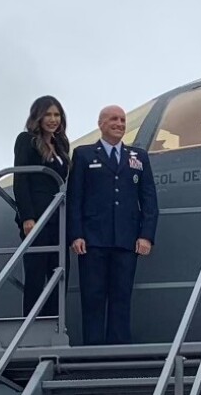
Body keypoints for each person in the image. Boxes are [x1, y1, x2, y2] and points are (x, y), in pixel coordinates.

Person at [66, 105, 159, 345]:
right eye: (113, 119)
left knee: (121, 295)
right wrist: (76, 234)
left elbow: (148, 199)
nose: (119, 124)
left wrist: (146, 235)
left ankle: (119, 348)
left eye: (122, 120)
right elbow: (75, 198)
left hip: (127, 239)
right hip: (93, 239)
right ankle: (93, 349)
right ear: (101, 123)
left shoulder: (138, 157)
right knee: (93, 296)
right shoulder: (84, 155)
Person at [13, 95, 70, 318]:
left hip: (59, 217)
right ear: (38, 116)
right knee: (36, 275)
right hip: (37, 217)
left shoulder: (61, 144)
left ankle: (55, 321)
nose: (53, 119)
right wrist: (27, 217)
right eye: (48, 114)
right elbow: (21, 180)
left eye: (57, 115)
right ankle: (33, 323)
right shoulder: (26, 140)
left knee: (59, 273)